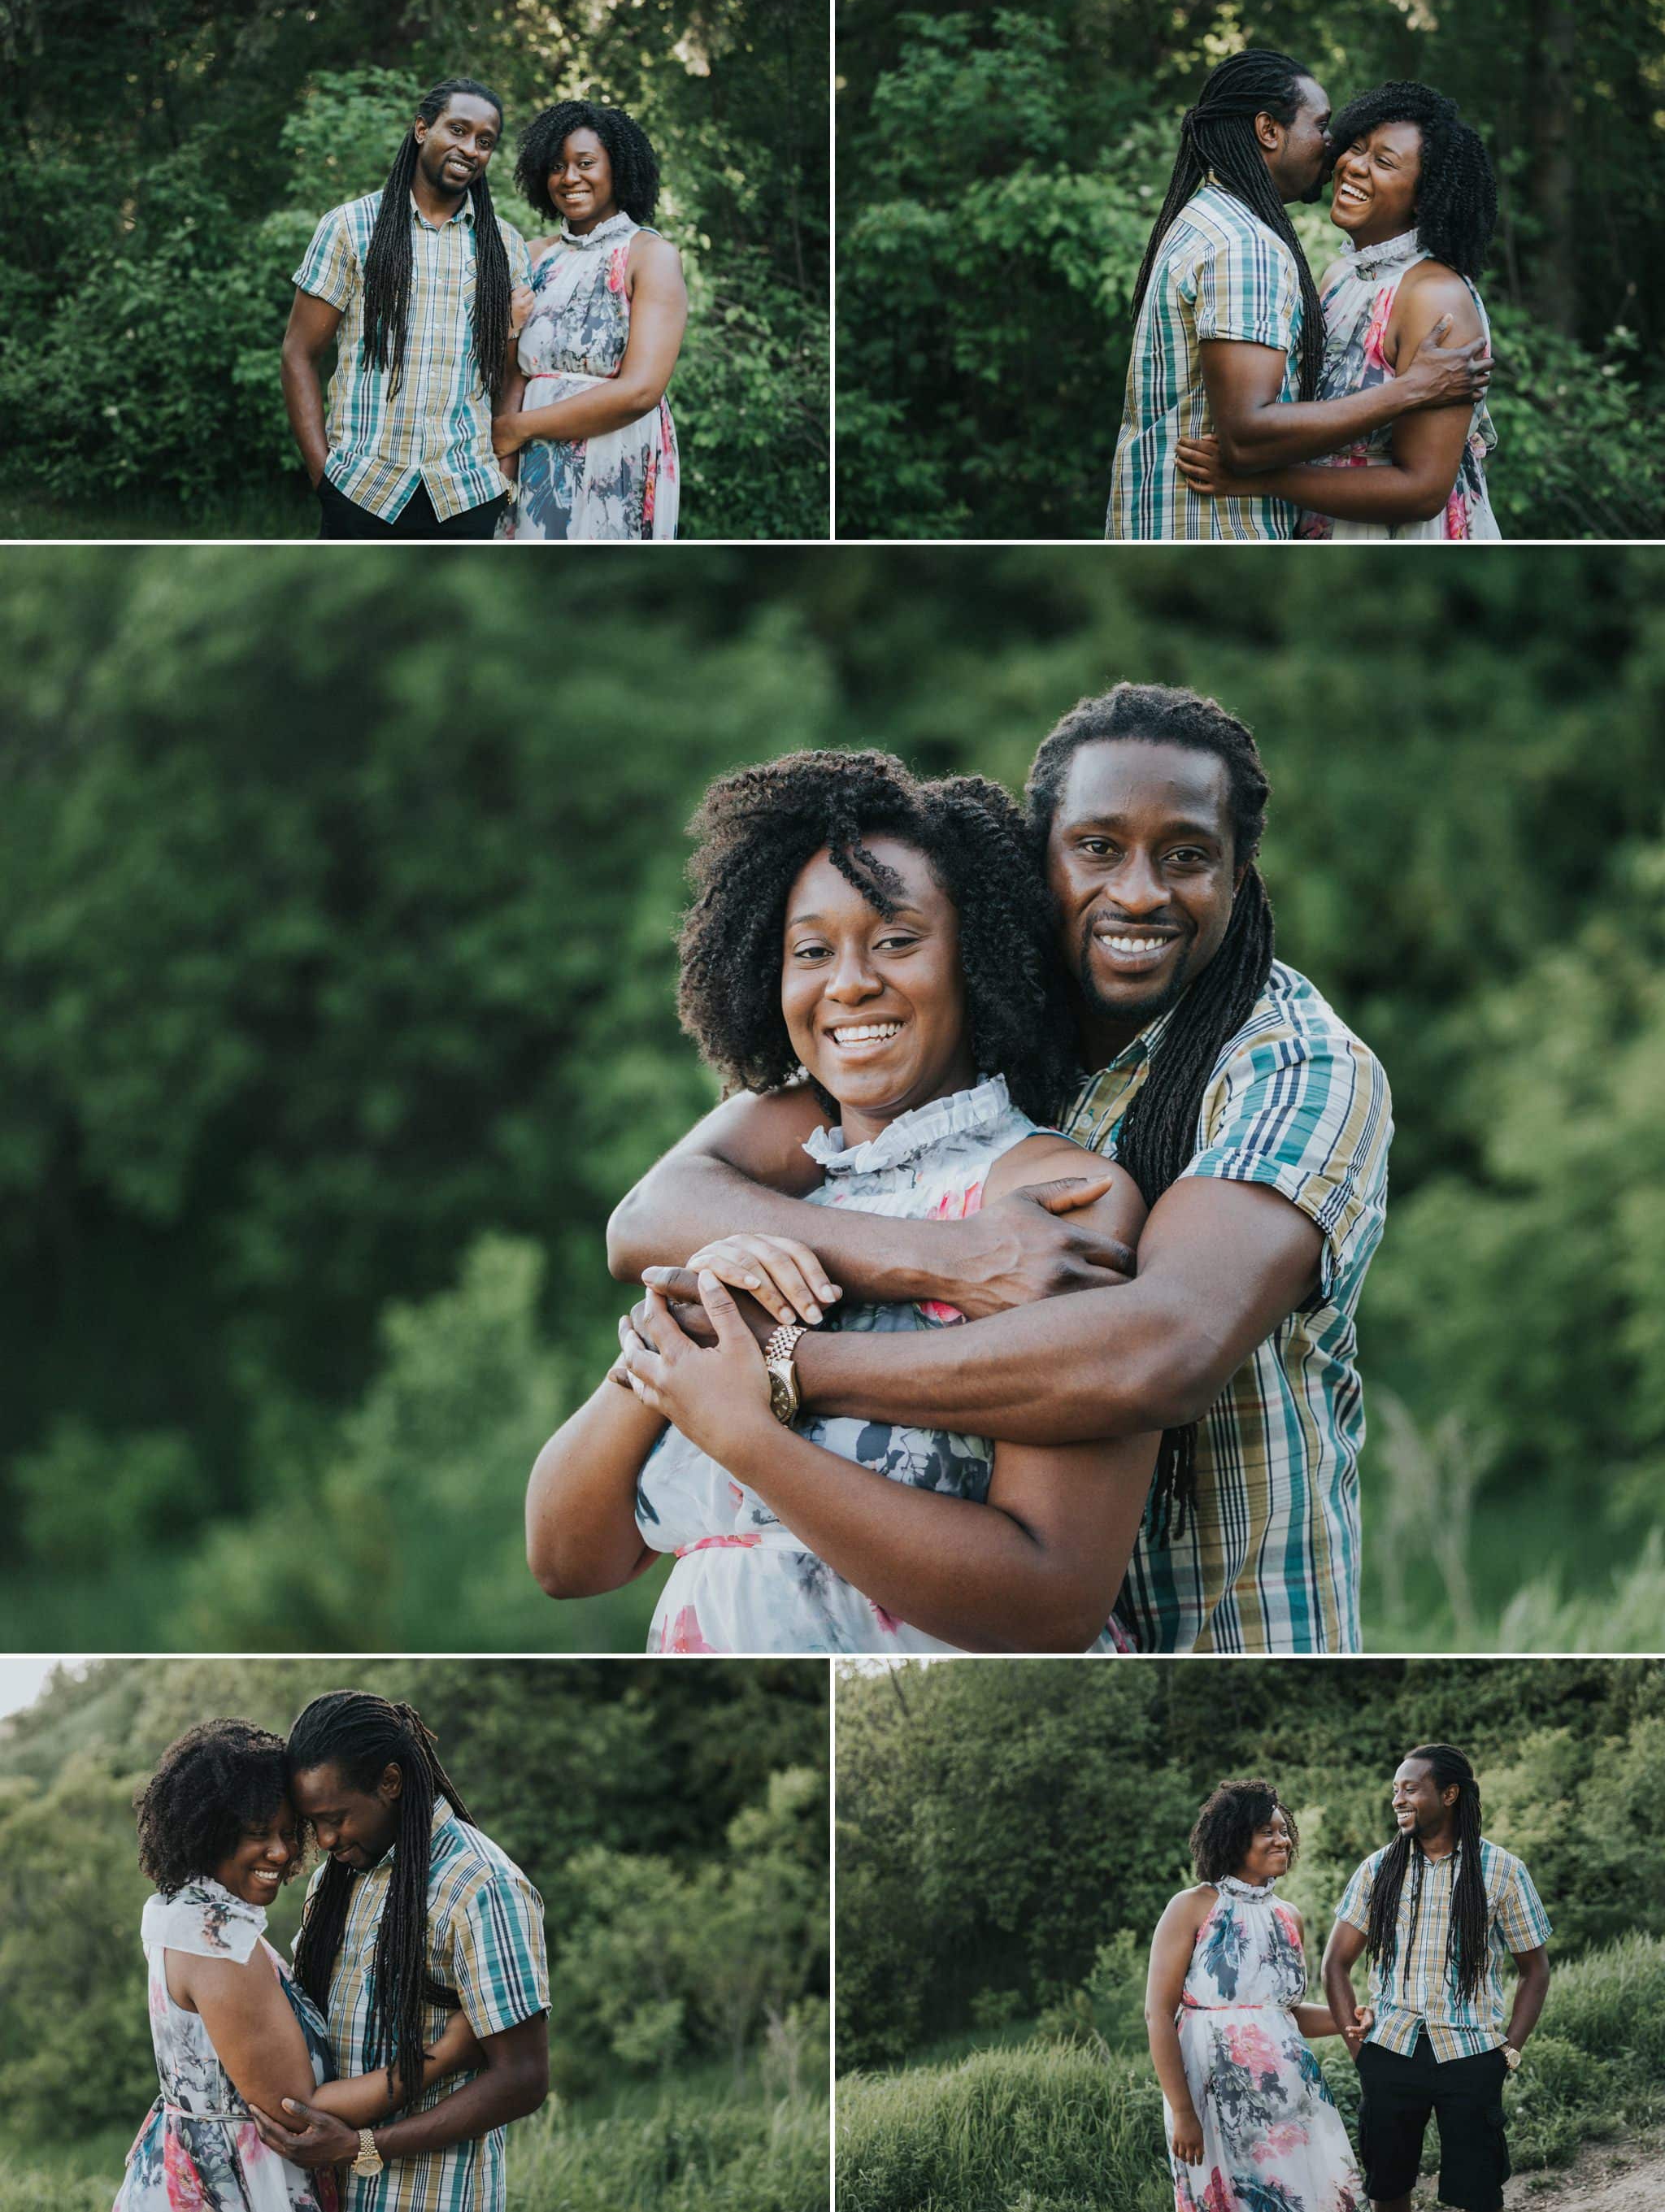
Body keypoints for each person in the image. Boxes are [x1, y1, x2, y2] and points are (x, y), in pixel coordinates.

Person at [607, 684, 1393, 1654]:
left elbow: (1161, 1351)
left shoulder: (1296, 1066)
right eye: (1096, 848)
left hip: (1228, 1643)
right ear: (1039, 859)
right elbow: (654, 1209)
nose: (1138, 892)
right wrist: (944, 1260)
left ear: (1238, 874)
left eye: (1186, 856)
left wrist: (781, 1371)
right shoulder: (967, 1015)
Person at [527, 750, 1158, 1652]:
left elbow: (1049, 1604)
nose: (849, 982)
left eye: (896, 941)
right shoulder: (761, 1197)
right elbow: (565, 1559)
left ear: (978, 959)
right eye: (811, 951)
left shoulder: (1048, 1203)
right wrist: (691, 1327)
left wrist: (750, 1435)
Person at [1105, 50, 1491, 540]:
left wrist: (1265, 480)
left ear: (1425, 195)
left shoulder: (1437, 298)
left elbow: (1422, 491)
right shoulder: (1336, 276)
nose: (1347, 162)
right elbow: (1268, 430)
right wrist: (1407, 390)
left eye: (1383, 161)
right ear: (1268, 130)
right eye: (1354, 145)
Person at [115, 1719, 481, 2212]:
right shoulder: (216, 1943)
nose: (281, 1851)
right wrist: (447, 2052)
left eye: (289, 1833)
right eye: (257, 1834)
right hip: (235, 2186)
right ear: (210, 1833)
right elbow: (299, 2111)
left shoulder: (183, 1913)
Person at [249, 1693, 549, 2211]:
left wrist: (362, 2147)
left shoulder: (480, 1886)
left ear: (390, 1782)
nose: (325, 1840)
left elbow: (523, 2078)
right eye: (313, 1823)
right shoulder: (336, 1882)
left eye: (336, 1817)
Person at [281, 80, 531, 540]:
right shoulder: (350, 227)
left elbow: (510, 372)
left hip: (467, 493)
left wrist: (504, 475)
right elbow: (299, 354)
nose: (470, 149)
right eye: (457, 130)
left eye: (485, 141)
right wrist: (324, 478)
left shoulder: (506, 247)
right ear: (422, 129)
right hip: (362, 488)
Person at [1323, 1745, 1551, 2212]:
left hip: (1471, 2053)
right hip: (1391, 2050)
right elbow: (1334, 1965)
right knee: (1388, 2188)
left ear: (1449, 1794)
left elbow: (1535, 1970)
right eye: (1395, 1790)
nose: (1397, 1800)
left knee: (1479, 2192)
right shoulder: (1378, 1869)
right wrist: (1361, 2052)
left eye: (1410, 1789)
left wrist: (1508, 2051)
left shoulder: (1502, 1870)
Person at [1147, 1780, 1366, 2212]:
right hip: (1212, 2098)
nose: (1283, 1840)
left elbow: (1282, 2014)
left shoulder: (1289, 1916)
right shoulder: (1191, 1907)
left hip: (1289, 2095)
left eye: (1284, 1831)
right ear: (1234, 1837)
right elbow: (1158, 2014)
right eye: (1268, 1832)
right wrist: (1183, 2111)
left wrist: (1351, 2019)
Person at [491, 101, 685, 539]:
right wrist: (505, 453)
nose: (569, 178)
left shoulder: (650, 257)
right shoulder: (531, 256)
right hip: (531, 460)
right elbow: (513, 369)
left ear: (618, 169)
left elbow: (640, 391)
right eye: (557, 166)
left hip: (612, 455)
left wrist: (519, 428)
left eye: (585, 163)